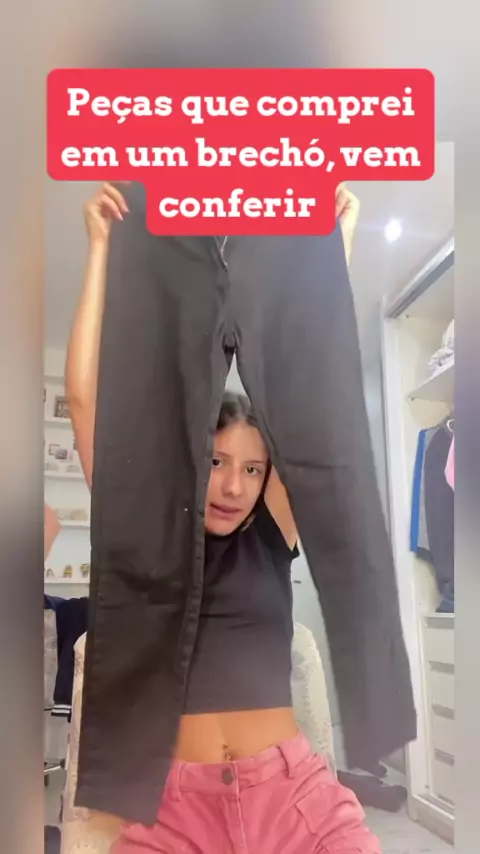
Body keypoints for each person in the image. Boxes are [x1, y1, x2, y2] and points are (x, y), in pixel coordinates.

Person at [66, 184, 380, 852]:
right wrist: (99, 251)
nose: (234, 485)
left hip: (292, 798)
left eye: (253, 469)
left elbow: (311, 392)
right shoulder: (146, 524)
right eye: (215, 461)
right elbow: (88, 400)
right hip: (173, 808)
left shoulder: (271, 535)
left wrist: (334, 253)